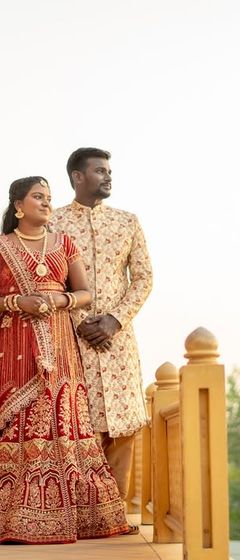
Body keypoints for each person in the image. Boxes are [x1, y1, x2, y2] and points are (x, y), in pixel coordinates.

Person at [0, 176, 129, 544]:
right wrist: (15, 302)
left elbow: (86, 293)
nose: (46, 203)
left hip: (59, 341)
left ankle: (75, 516)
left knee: (62, 414)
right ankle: (15, 519)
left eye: (49, 197)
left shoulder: (64, 243)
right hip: (14, 344)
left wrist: (60, 301)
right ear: (19, 206)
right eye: (38, 197)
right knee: (18, 420)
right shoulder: (2, 246)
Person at [50, 148, 152, 515]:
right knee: (78, 423)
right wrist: (82, 324)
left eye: (109, 171)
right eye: (99, 170)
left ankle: (115, 514)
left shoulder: (128, 222)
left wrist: (114, 320)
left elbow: (143, 278)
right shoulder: (54, 224)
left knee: (123, 425)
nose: (108, 176)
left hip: (119, 341)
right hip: (70, 339)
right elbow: (47, 281)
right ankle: (80, 516)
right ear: (78, 177)